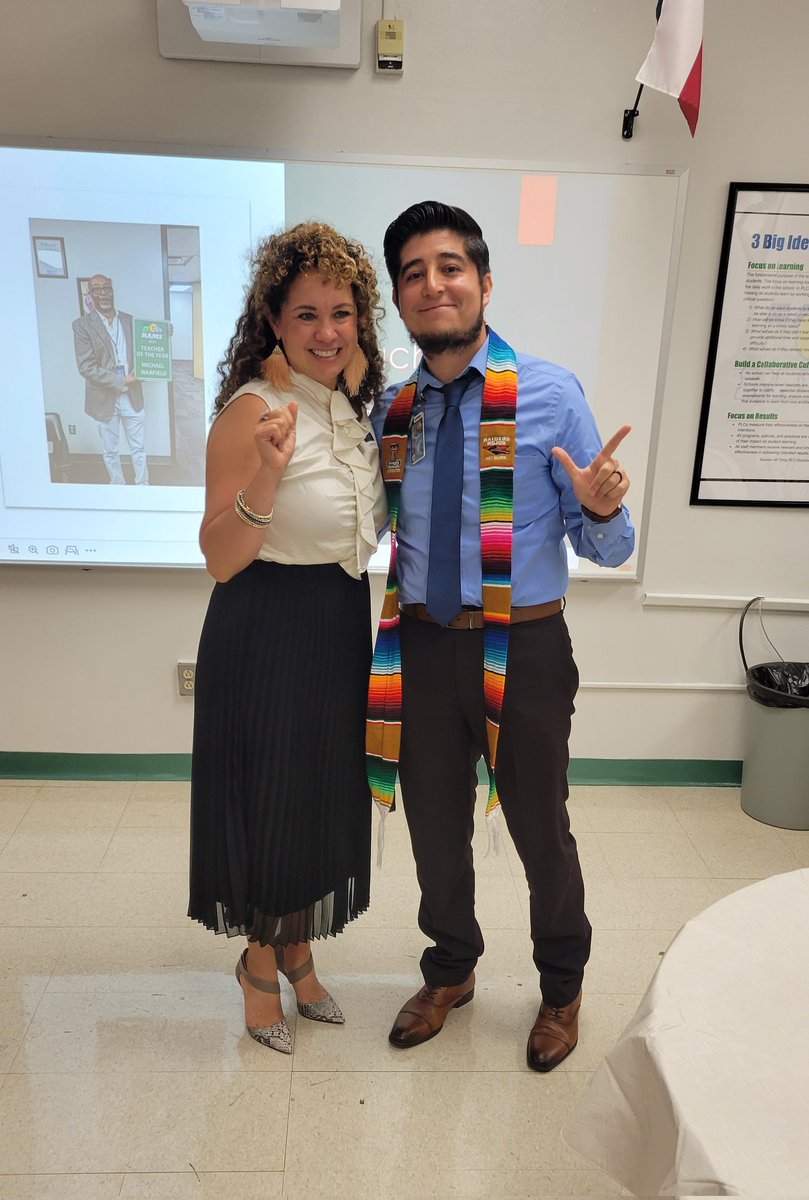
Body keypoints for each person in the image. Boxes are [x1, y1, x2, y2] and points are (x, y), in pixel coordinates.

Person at [367, 201, 634, 1072]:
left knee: (538, 826)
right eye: (413, 273)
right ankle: (450, 967)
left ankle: (562, 987)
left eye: (449, 267)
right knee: (433, 828)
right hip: (421, 645)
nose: (432, 284)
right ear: (401, 303)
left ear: (483, 283)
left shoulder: (550, 393)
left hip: (523, 645)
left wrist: (600, 509)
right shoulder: (394, 411)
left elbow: (607, 540)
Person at [188, 222, 387, 1054]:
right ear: (273, 318)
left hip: (338, 618)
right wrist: (267, 475)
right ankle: (260, 965)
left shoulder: (347, 406)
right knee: (270, 798)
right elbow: (220, 557)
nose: (326, 331)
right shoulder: (252, 410)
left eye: (340, 312)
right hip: (266, 623)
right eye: (305, 314)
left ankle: (301, 947)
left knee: (316, 794)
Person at [72, 274, 149, 485]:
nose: (103, 293)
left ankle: (144, 487)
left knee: (139, 447)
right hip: (103, 398)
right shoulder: (82, 325)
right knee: (110, 451)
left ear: (113, 291)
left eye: (107, 288)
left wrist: (162, 335)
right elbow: (86, 367)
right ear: (90, 294)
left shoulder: (129, 320)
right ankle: (118, 487)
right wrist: (124, 380)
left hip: (132, 396)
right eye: (97, 289)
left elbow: (147, 346)